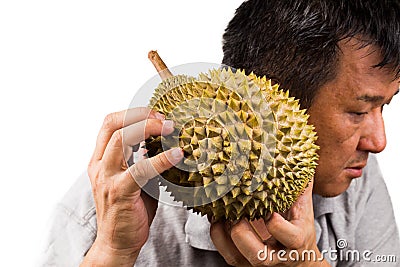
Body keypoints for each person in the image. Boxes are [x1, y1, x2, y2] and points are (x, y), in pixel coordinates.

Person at [39, 0, 400, 266]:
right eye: (358, 111)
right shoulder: (112, 206)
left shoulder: (353, 176)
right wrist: (112, 253)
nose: (379, 142)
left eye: (384, 106)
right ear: (272, 109)